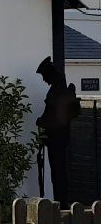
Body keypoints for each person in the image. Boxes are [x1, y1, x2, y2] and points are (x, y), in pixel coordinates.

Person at [36, 56, 81, 208]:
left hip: (57, 139)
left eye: (44, 76)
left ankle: (61, 202)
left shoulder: (58, 91)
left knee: (59, 172)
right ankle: (60, 201)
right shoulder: (57, 89)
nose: (44, 80)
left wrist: (42, 122)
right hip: (55, 139)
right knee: (57, 172)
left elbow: (55, 116)